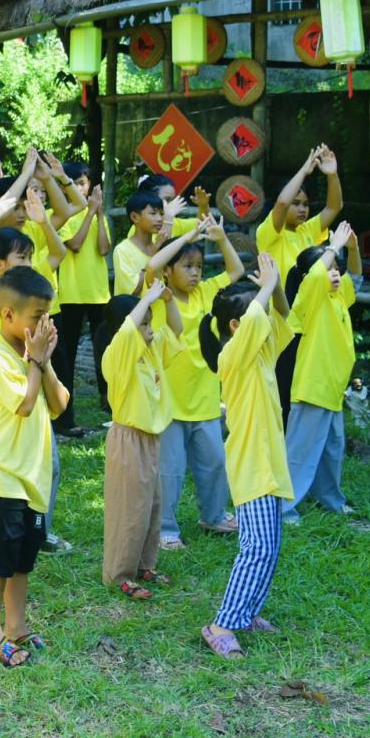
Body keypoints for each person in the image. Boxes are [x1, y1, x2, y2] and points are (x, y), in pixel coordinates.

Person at [0, 265, 65, 668]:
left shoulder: (32, 357)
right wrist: (36, 362)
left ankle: (16, 626)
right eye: (37, 317)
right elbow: (25, 405)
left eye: (48, 317)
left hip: (31, 479)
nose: (45, 324)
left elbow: (59, 404)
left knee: (23, 558)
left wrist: (43, 361)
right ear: (8, 315)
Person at [200, 253, 293, 659]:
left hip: (269, 463)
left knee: (269, 546)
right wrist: (266, 287)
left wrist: (277, 289)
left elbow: (282, 322)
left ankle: (248, 613)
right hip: (252, 465)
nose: (263, 315)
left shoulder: (261, 353)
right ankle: (221, 624)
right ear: (235, 327)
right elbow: (259, 318)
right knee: (255, 547)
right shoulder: (231, 357)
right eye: (256, 309)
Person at [154, 218, 242, 549]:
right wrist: (185, 237)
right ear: (168, 270)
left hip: (205, 399)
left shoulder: (207, 294)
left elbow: (235, 272)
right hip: (171, 403)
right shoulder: (159, 296)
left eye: (199, 267)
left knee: (215, 463)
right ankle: (165, 527)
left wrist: (221, 239)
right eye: (187, 266)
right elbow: (153, 265)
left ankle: (215, 515)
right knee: (170, 471)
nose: (195, 273)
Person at [98, 276, 180, 600]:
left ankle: (144, 565)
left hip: (150, 439)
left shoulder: (150, 349)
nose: (150, 330)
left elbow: (176, 331)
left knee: (151, 506)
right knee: (129, 509)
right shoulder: (117, 355)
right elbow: (130, 330)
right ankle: (119, 574)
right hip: (128, 439)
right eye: (145, 325)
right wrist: (145, 299)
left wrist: (168, 301)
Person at [259, 146, 343, 421]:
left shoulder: (309, 230)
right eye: (297, 202)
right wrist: (305, 170)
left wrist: (331, 175)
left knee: (301, 387)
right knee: (282, 389)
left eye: (305, 203)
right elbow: (281, 205)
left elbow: (334, 207)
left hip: (309, 320)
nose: (302, 208)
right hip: (281, 321)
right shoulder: (270, 233)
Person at [285, 223, 361, 519]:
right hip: (312, 386)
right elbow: (315, 276)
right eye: (329, 268)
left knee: (332, 449)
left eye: (336, 268)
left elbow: (356, 277)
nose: (334, 273)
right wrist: (333, 247)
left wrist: (351, 249)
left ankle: (329, 498)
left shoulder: (337, 296)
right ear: (308, 278)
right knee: (299, 453)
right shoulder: (309, 300)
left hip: (332, 387)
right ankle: (283, 507)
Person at [43, 159, 111, 432]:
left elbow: (104, 248)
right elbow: (75, 244)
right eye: (79, 183)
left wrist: (99, 214)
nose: (84, 188)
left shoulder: (96, 213)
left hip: (98, 292)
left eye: (85, 183)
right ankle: (65, 402)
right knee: (66, 353)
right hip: (71, 293)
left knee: (104, 347)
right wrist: (89, 212)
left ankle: (107, 398)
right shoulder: (62, 214)